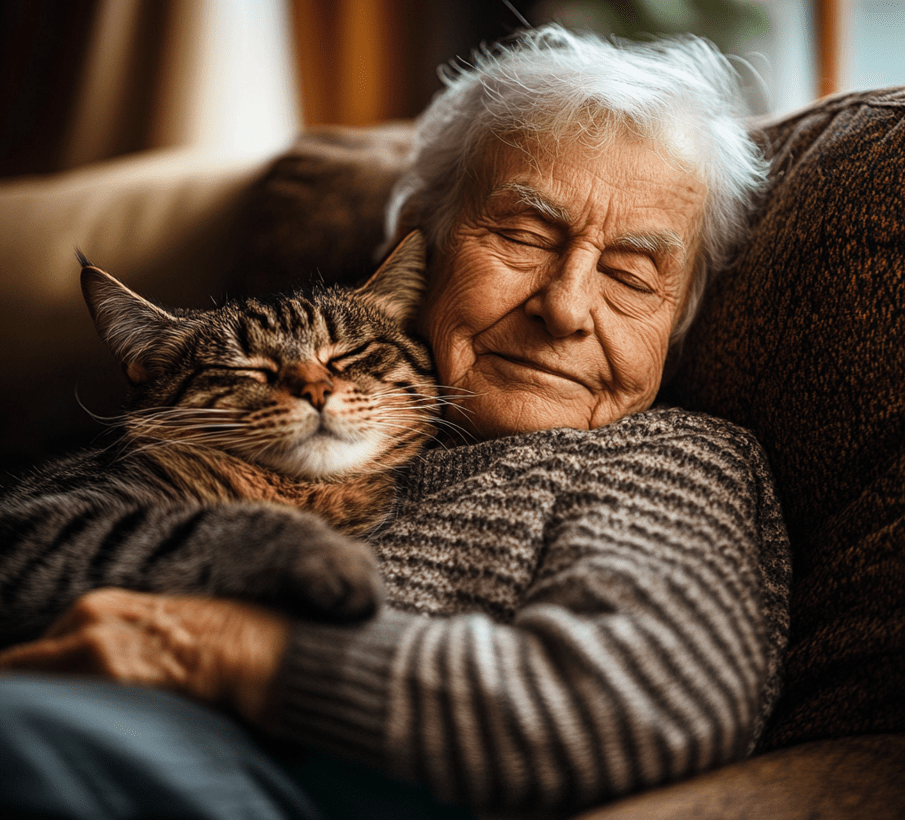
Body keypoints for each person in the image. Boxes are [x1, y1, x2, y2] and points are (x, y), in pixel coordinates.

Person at [0, 25, 789, 820]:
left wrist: (221, 650)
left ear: (678, 320)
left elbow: (641, 705)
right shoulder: (307, 427)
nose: (565, 307)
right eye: (521, 236)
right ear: (421, 244)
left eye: (628, 275)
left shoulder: (667, 459)